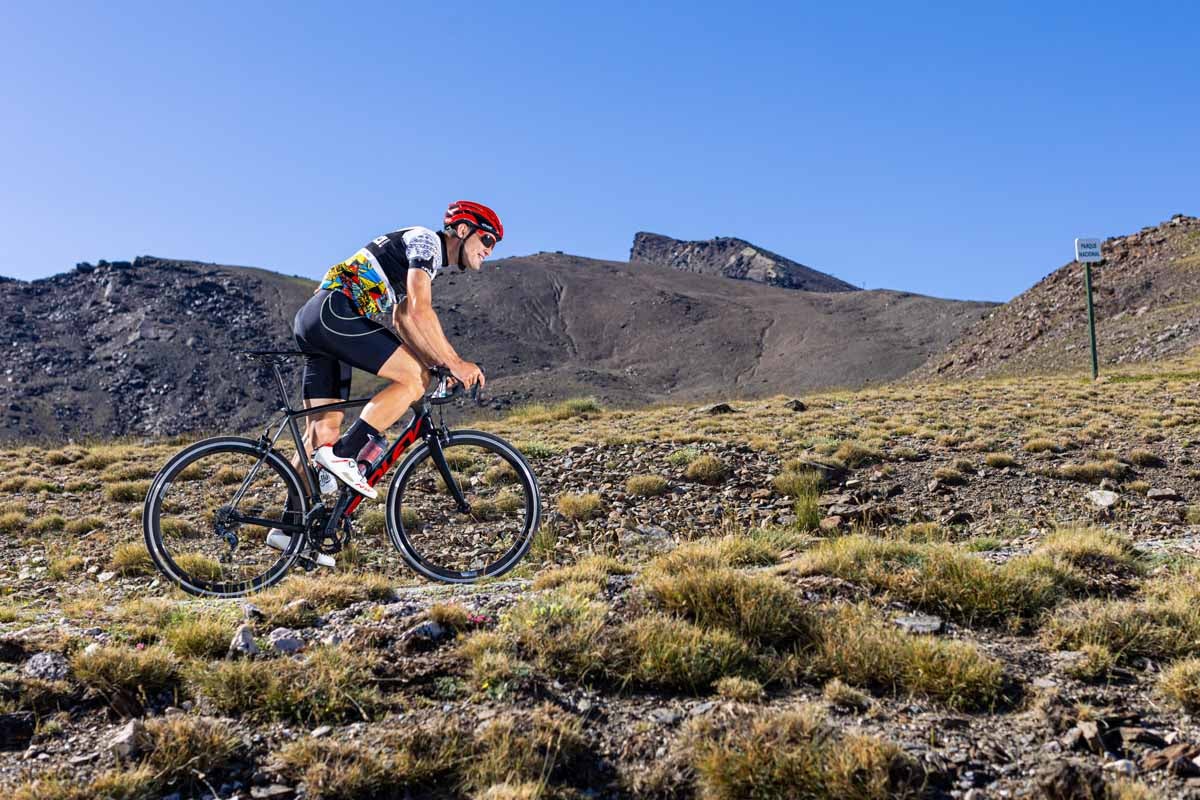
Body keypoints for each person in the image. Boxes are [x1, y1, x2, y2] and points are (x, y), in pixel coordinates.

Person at [266, 200, 501, 564]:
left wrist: (435, 361)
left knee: (320, 434)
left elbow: (404, 316)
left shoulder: (424, 258)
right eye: (487, 238)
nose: (489, 249)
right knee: (412, 380)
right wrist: (454, 363)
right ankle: (346, 455)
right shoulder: (427, 242)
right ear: (463, 229)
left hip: (318, 320)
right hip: (334, 313)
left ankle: (288, 528)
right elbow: (421, 310)